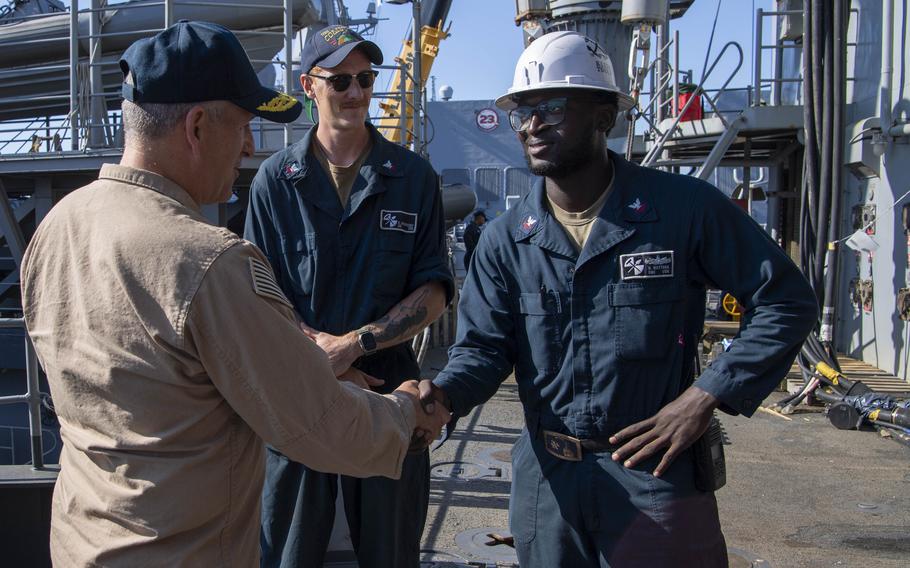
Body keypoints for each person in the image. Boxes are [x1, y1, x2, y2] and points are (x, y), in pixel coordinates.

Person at [20, 21, 449, 567]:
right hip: (186, 548)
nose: (249, 148)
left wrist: (350, 347)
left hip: (87, 539)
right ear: (197, 126)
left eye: (366, 79)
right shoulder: (208, 259)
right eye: (244, 127)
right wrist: (408, 412)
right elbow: (315, 420)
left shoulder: (59, 225)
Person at [419, 31, 818, 567]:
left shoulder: (682, 210)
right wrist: (439, 398)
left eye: (554, 108)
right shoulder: (506, 239)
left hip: (655, 476)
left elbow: (785, 301)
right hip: (548, 485)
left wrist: (703, 398)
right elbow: (484, 350)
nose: (534, 125)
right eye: (523, 113)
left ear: (604, 115)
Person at [245, 25, 454, 568]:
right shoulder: (274, 181)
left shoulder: (413, 178)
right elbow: (257, 292)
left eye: (365, 79)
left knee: (389, 549)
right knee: (289, 548)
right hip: (298, 394)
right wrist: (322, 361)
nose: (357, 93)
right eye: (340, 81)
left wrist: (355, 346)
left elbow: (432, 291)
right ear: (308, 85)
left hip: (388, 394)